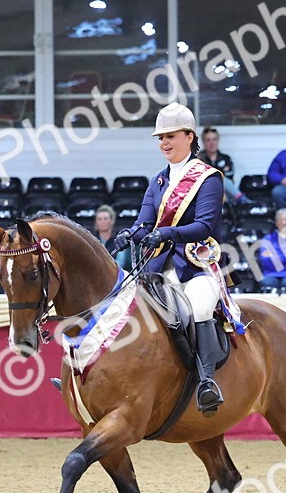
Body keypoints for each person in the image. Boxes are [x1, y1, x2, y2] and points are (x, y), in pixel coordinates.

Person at [114, 102, 227, 414]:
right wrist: (130, 233)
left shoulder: (209, 178)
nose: (164, 143)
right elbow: (144, 223)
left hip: (194, 266)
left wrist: (165, 234)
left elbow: (204, 226)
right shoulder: (158, 182)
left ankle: (206, 382)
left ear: (189, 137)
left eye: (170, 136)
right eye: (161, 138)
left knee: (201, 306)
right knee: (119, 307)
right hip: (156, 269)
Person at [197, 128, 244, 205]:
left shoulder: (226, 159)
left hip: (225, 193)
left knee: (222, 180)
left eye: (214, 139)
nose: (212, 143)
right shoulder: (198, 160)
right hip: (205, 193)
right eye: (208, 140)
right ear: (203, 142)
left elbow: (230, 179)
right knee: (218, 178)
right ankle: (242, 199)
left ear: (218, 141)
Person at [93, 205, 132, 270]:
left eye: (105, 218)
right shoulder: (92, 240)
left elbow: (121, 263)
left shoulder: (119, 239)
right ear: (96, 222)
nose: (102, 221)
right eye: (99, 219)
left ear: (112, 221)